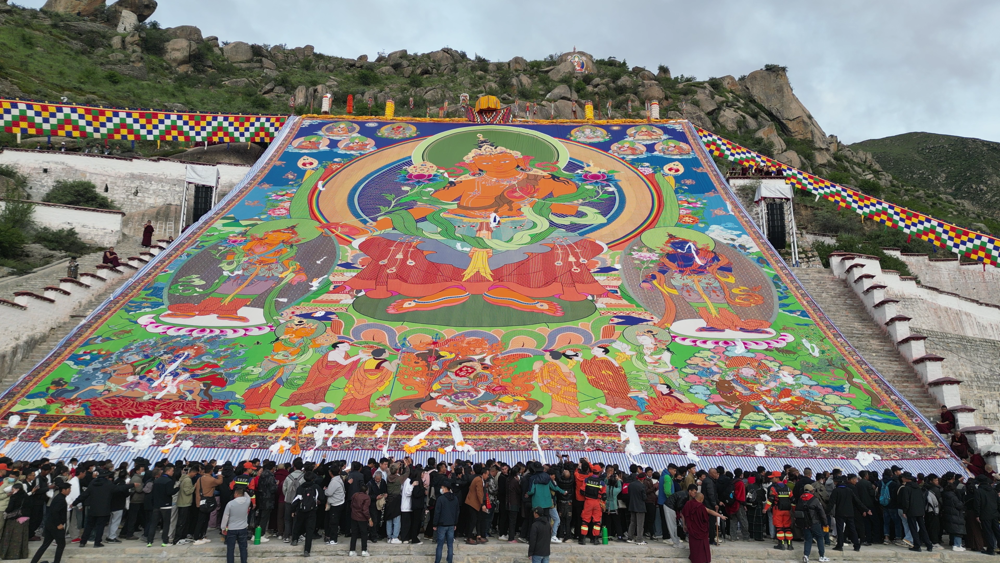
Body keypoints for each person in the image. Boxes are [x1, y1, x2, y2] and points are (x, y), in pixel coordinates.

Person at [680, 492, 727, 563]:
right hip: (701, 530)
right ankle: (703, 559)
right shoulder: (700, 506)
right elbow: (709, 511)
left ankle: (695, 559)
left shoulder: (688, 504)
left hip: (692, 529)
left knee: (694, 546)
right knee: (702, 546)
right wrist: (720, 516)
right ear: (701, 499)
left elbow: (683, 514)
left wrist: (684, 525)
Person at [29, 482, 70, 563]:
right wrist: (59, 524)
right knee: (61, 545)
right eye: (68, 489)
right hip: (56, 526)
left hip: (49, 524)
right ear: (63, 490)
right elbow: (55, 512)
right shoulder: (60, 500)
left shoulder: (58, 497)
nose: (70, 491)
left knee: (45, 545)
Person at [898, 472, 933, 552]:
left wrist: (905, 511)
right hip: (920, 510)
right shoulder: (918, 488)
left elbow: (906, 501)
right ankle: (929, 545)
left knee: (913, 528)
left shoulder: (906, 488)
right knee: (923, 528)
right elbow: (922, 499)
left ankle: (917, 545)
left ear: (906, 479)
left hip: (911, 511)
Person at [290, 471, 322, 556]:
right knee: (310, 530)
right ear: (313, 479)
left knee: (298, 524)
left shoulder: (300, 488)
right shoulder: (316, 487)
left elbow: (295, 500)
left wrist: (293, 510)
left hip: (301, 510)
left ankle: (295, 539)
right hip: (312, 511)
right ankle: (307, 550)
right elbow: (322, 498)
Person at [798, 483, 829, 563]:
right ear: (811, 490)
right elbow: (821, 512)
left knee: (808, 539)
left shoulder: (800, 499)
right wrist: (825, 523)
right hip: (815, 523)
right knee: (819, 538)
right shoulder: (814, 499)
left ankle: (806, 555)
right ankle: (822, 556)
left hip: (805, 523)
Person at [147, 465, 175, 547]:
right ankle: (164, 541)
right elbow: (169, 492)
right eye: (172, 471)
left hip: (156, 505)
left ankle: (149, 541)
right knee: (166, 524)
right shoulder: (169, 481)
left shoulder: (156, 481)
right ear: (168, 471)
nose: (173, 472)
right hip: (166, 505)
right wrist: (177, 489)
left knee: (153, 523)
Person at [221, 486, 251, 563]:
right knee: (243, 548)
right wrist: (244, 490)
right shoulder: (247, 501)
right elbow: (247, 495)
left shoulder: (230, 504)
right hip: (243, 528)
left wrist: (223, 528)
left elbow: (225, 516)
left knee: (230, 549)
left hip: (232, 529)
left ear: (236, 493)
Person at [433, 481, 459, 563]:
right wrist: (455, 523)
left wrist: (435, 524)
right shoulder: (455, 498)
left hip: (442, 524)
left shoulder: (440, 499)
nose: (441, 489)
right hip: (451, 524)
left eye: (442, 488)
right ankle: (449, 560)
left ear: (445, 488)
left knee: (440, 545)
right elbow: (457, 512)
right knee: (450, 545)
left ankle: (437, 561)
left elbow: (437, 512)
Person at [349, 482, 372, 557]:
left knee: (354, 534)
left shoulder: (355, 495)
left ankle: (352, 550)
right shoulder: (366, 497)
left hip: (354, 516)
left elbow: (351, 505)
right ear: (366, 491)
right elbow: (365, 510)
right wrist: (369, 519)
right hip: (362, 518)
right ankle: (364, 550)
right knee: (364, 534)